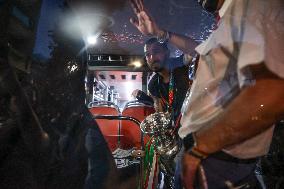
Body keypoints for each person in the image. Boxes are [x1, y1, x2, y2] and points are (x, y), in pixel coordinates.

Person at [130, 0, 284, 188]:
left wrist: (204, 145)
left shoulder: (251, 11)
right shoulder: (227, 22)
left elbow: (272, 90)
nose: (152, 57)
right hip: (200, 147)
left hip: (216, 152)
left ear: (166, 52)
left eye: (156, 51)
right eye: (148, 54)